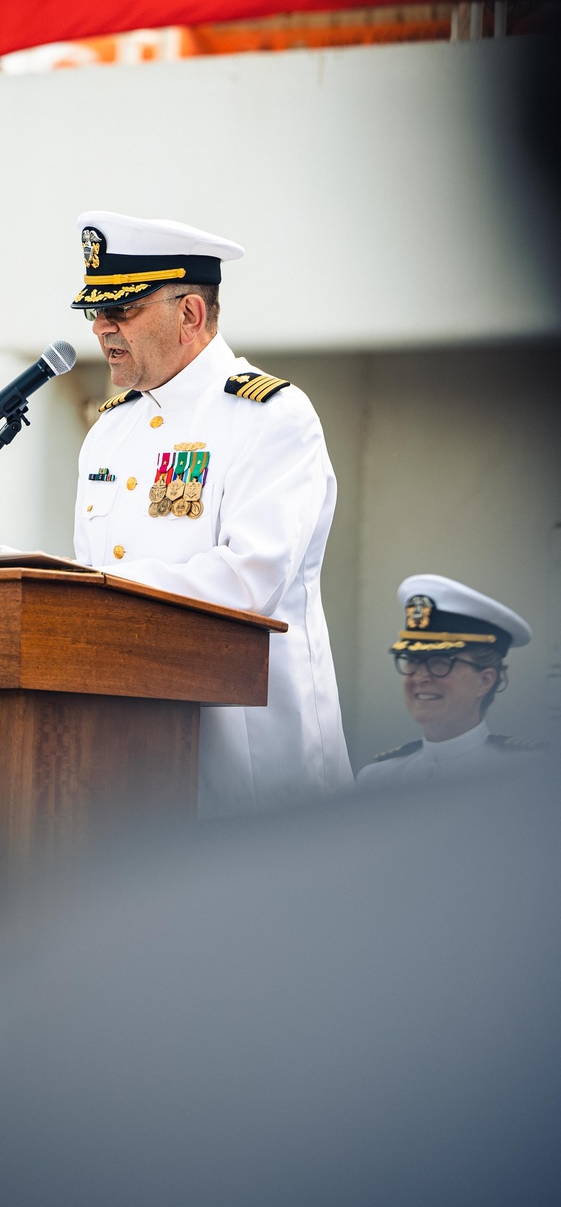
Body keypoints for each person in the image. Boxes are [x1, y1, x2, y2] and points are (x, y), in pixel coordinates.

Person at [71, 210, 351, 815]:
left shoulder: (271, 415)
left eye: (120, 310)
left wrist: (93, 593)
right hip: (136, 766)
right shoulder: (109, 433)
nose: (101, 328)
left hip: (255, 771)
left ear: (190, 314)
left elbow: (249, 581)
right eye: (95, 312)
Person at [357, 573, 538, 788]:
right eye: (413, 660)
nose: (421, 677)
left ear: (485, 681)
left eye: (441, 662)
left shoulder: (529, 774)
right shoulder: (377, 779)